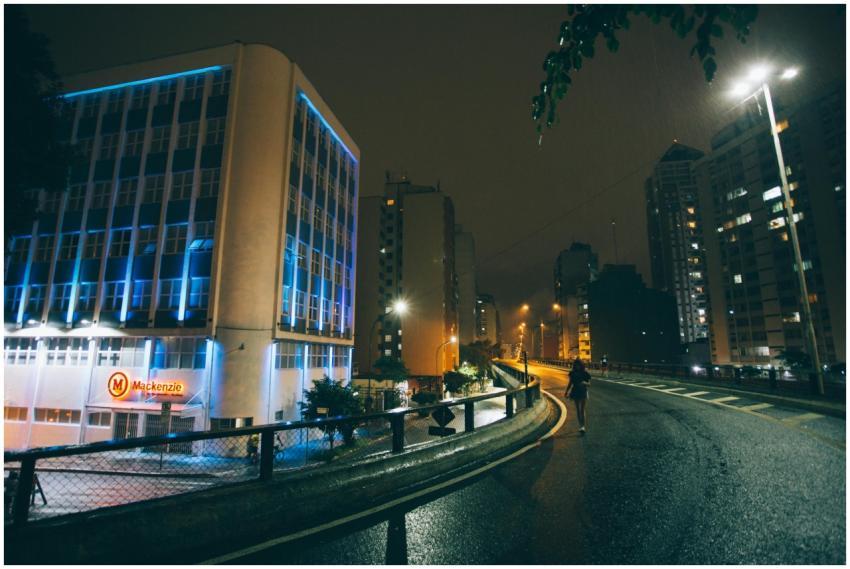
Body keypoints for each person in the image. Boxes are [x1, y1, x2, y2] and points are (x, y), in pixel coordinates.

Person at [566, 357, 591, 434]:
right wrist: (566, 391)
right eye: (576, 365)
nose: (577, 366)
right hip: (575, 392)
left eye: (579, 365)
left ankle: (583, 426)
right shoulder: (572, 373)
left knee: (582, 409)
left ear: (581, 365)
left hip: (583, 391)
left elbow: (589, 384)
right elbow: (570, 383)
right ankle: (580, 426)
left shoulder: (585, 373)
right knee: (578, 409)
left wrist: (584, 383)